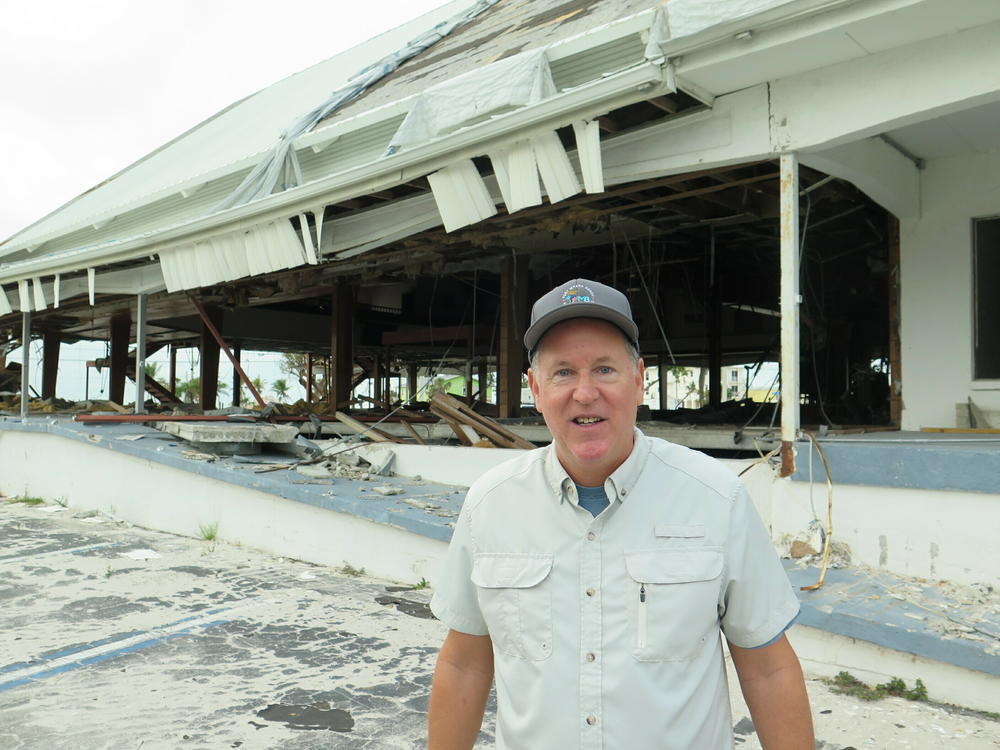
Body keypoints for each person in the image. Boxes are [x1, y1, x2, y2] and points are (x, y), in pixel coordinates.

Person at [428, 278, 814, 749]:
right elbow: (464, 664)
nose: (585, 393)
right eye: (563, 372)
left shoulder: (716, 499)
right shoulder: (491, 505)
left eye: (605, 369)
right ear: (534, 387)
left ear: (638, 379)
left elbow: (769, 668)